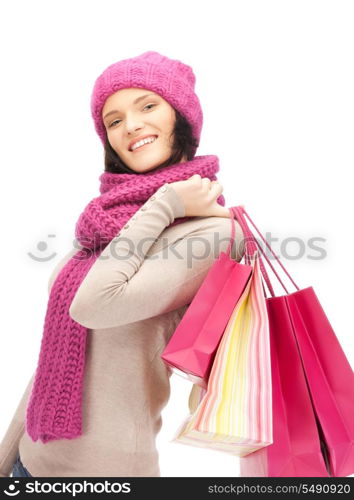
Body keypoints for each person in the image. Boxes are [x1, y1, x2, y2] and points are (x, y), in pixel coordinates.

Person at [0, 51, 244, 477]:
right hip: (29, 463)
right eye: (113, 120)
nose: (130, 126)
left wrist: (165, 203)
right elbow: (51, 359)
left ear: (182, 119)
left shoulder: (212, 234)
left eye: (148, 106)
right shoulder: (107, 223)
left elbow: (93, 305)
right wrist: (5, 461)